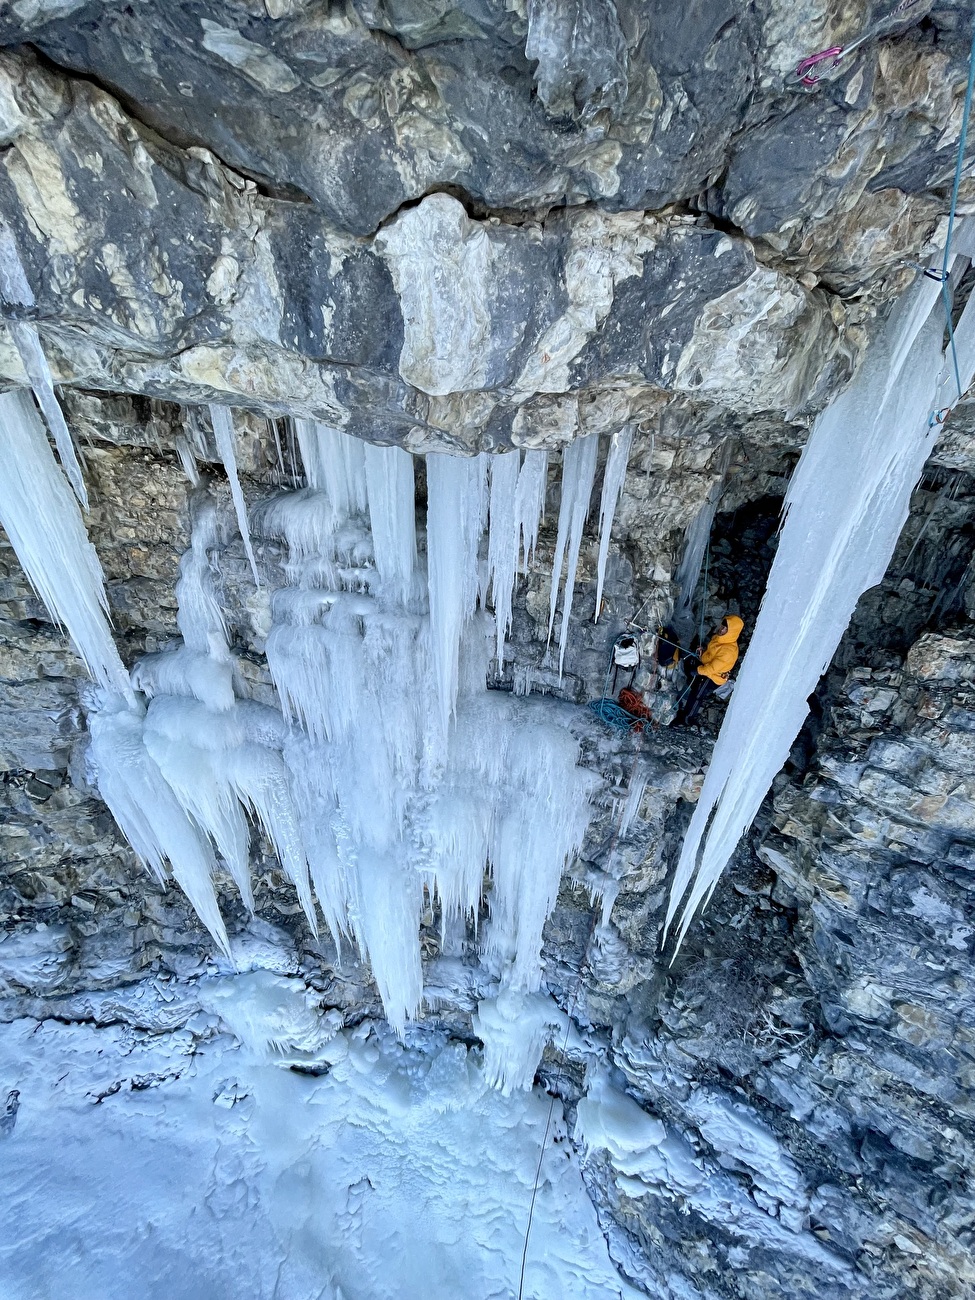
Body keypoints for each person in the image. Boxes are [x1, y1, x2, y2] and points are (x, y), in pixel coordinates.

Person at [676, 615, 743, 724]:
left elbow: (712, 668)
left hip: (713, 677)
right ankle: (684, 705)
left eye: (726, 628)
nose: (721, 629)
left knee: (697, 695)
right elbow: (711, 655)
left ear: (732, 631)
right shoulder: (720, 638)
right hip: (707, 669)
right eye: (723, 625)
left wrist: (697, 670)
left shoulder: (729, 651)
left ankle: (687, 719)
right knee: (694, 686)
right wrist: (702, 655)